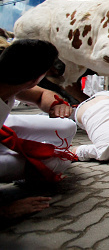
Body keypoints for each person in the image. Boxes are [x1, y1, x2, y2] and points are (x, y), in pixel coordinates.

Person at [0, 40, 77, 220]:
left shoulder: (10, 82)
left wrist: (55, 105)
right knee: (55, 162)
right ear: (35, 78)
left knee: (67, 126)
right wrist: (6, 210)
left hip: (4, 127)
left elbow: (43, 94)